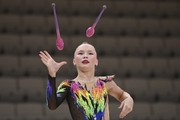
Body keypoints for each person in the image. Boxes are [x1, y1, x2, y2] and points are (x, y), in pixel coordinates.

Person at [39, 42, 134, 120]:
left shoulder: (104, 82)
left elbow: (122, 95)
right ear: (74, 61)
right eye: (80, 53)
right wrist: (52, 75)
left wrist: (129, 99)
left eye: (90, 53)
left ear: (96, 61)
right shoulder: (69, 85)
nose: (85, 56)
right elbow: (52, 105)